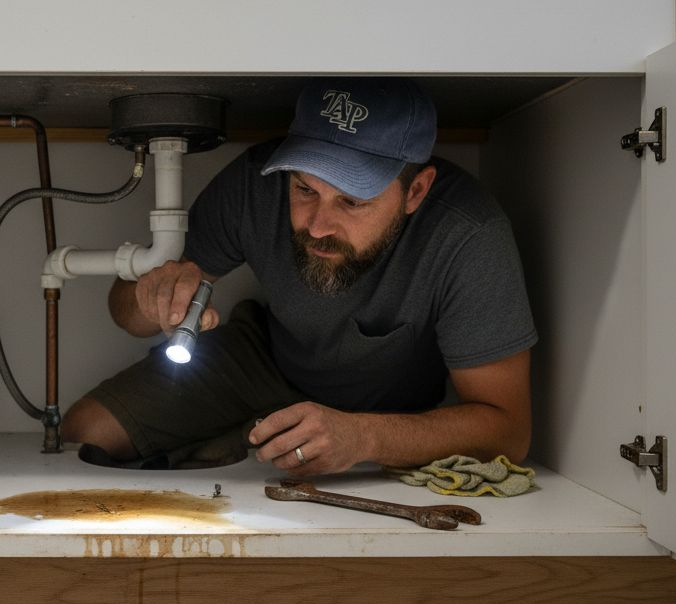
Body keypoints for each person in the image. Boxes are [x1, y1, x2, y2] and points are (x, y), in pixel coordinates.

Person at [61, 78, 537, 475]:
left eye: (353, 201)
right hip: (265, 358)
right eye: (305, 188)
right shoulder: (254, 183)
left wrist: (364, 436)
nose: (317, 225)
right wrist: (151, 297)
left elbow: (508, 432)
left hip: (385, 407)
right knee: (82, 437)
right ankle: (238, 430)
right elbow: (124, 310)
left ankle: (230, 437)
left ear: (415, 191)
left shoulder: (468, 233)